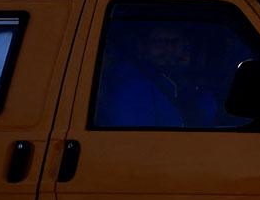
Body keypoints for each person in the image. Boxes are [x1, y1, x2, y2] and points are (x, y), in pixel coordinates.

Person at [95, 21, 225, 128]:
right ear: (144, 47)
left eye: (174, 41)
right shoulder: (133, 85)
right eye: (159, 42)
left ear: (185, 45)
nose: (168, 48)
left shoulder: (189, 84)